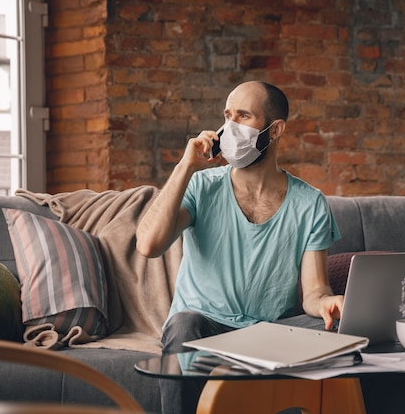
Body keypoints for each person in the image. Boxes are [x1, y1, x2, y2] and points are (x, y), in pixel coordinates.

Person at [136, 80, 343, 414]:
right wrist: (186, 166)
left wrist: (327, 303)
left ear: (274, 130)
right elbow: (148, 245)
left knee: (334, 334)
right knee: (183, 323)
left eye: (243, 117)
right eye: (227, 116)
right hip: (204, 327)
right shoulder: (201, 186)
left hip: (269, 332)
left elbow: (315, 290)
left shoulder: (310, 204)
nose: (229, 128)